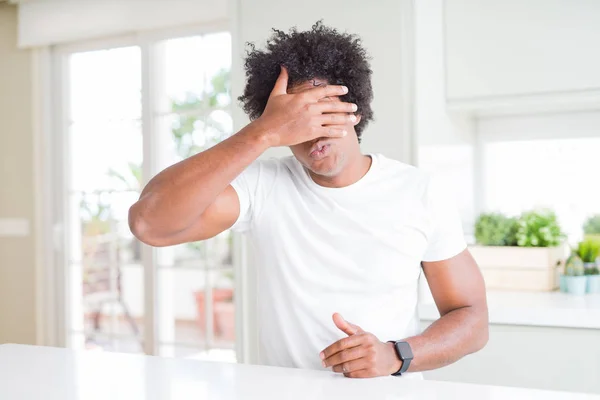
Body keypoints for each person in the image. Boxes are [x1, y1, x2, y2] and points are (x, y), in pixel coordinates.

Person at [129, 22, 488, 379]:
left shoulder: (419, 191)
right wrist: (262, 132)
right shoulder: (262, 187)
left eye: (322, 110)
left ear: (355, 110)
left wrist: (396, 355)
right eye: (295, 118)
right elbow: (149, 223)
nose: (312, 129)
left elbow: (471, 318)